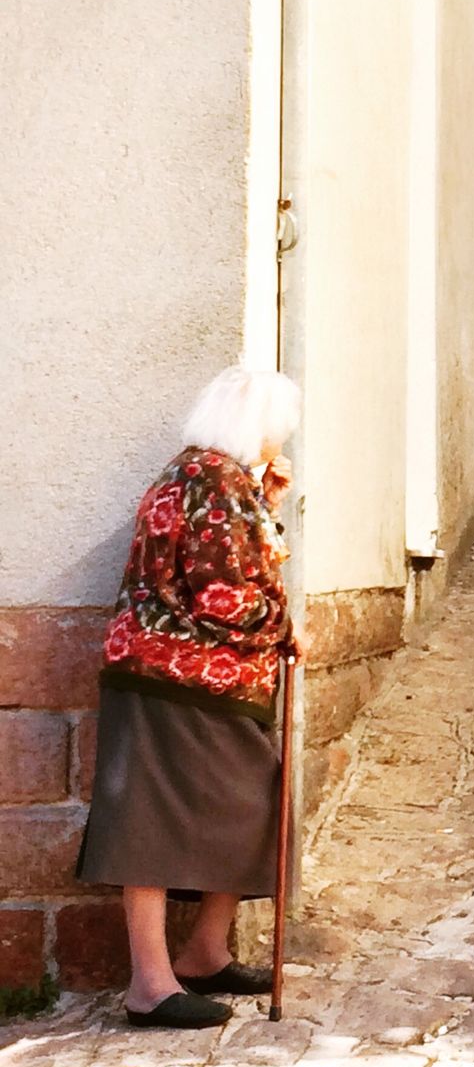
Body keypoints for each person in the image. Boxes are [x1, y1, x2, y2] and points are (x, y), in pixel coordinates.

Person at [76, 367, 302, 1030]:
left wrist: (269, 504)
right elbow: (220, 592)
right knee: (148, 818)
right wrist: (288, 629)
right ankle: (150, 984)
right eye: (276, 429)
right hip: (174, 676)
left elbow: (230, 558)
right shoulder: (211, 479)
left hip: (196, 679)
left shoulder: (212, 478)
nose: (279, 440)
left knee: (253, 803)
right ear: (254, 424)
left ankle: (204, 951)